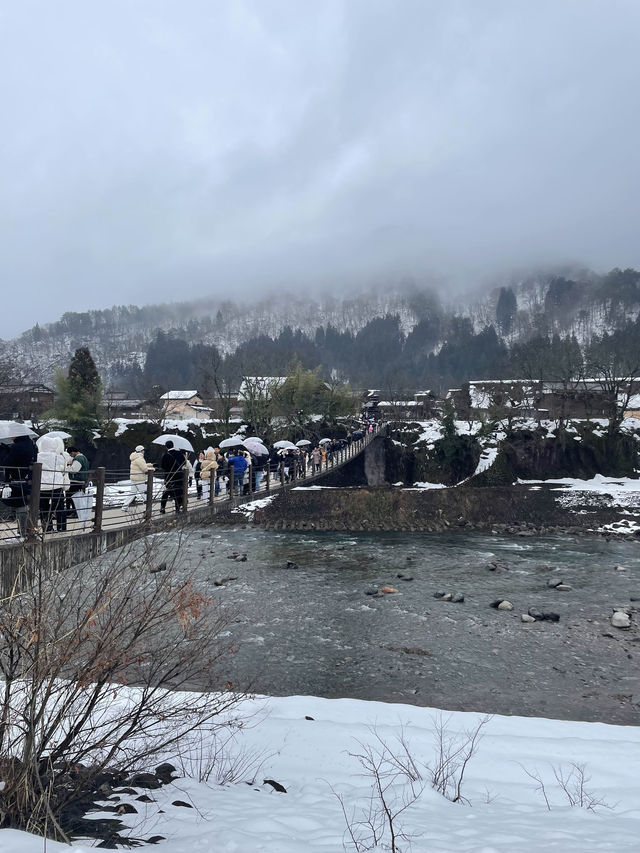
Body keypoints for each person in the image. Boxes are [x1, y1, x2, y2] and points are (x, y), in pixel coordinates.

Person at [2, 434, 37, 537]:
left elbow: (8, 462)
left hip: (17, 478)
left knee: (20, 504)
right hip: (29, 478)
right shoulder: (32, 445)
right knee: (25, 503)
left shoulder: (17, 446)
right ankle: (25, 531)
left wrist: (6, 452)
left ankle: (22, 532)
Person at [37, 435, 67, 532]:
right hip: (56, 485)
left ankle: (47, 528)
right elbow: (65, 462)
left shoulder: (38, 456)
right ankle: (61, 527)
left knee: (44, 508)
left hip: (42, 486)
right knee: (59, 506)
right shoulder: (57, 456)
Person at [123, 445, 154, 513]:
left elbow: (140, 465)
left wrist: (150, 464)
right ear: (141, 451)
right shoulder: (140, 458)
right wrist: (152, 469)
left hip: (134, 478)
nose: (144, 451)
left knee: (132, 493)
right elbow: (144, 469)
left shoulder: (134, 457)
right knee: (145, 493)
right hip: (139, 479)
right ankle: (149, 507)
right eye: (143, 450)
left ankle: (124, 506)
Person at [160, 440, 186, 513]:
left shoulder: (165, 455)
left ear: (166, 446)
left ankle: (162, 508)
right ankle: (177, 509)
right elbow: (184, 462)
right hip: (179, 476)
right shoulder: (179, 453)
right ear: (173, 445)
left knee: (166, 492)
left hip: (169, 476)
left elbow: (163, 466)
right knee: (178, 492)